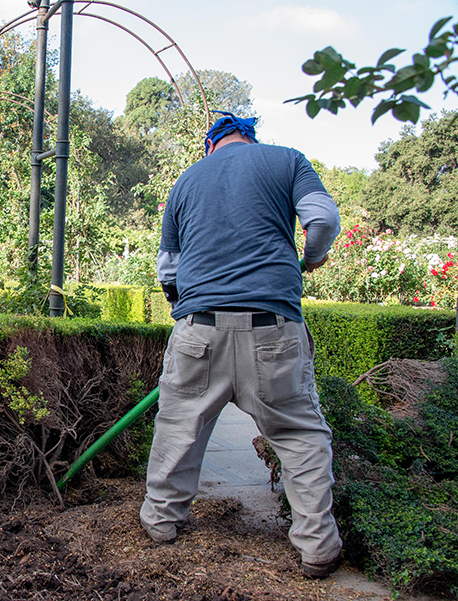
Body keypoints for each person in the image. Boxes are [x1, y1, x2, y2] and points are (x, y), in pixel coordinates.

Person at [139, 112, 343, 579]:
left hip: (198, 331)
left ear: (211, 146)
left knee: (178, 426)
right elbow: (323, 219)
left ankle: (160, 523)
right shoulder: (287, 161)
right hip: (273, 330)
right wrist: (311, 259)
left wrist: (189, 306)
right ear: (250, 139)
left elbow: (168, 269)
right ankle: (318, 548)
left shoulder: (186, 180)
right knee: (298, 436)